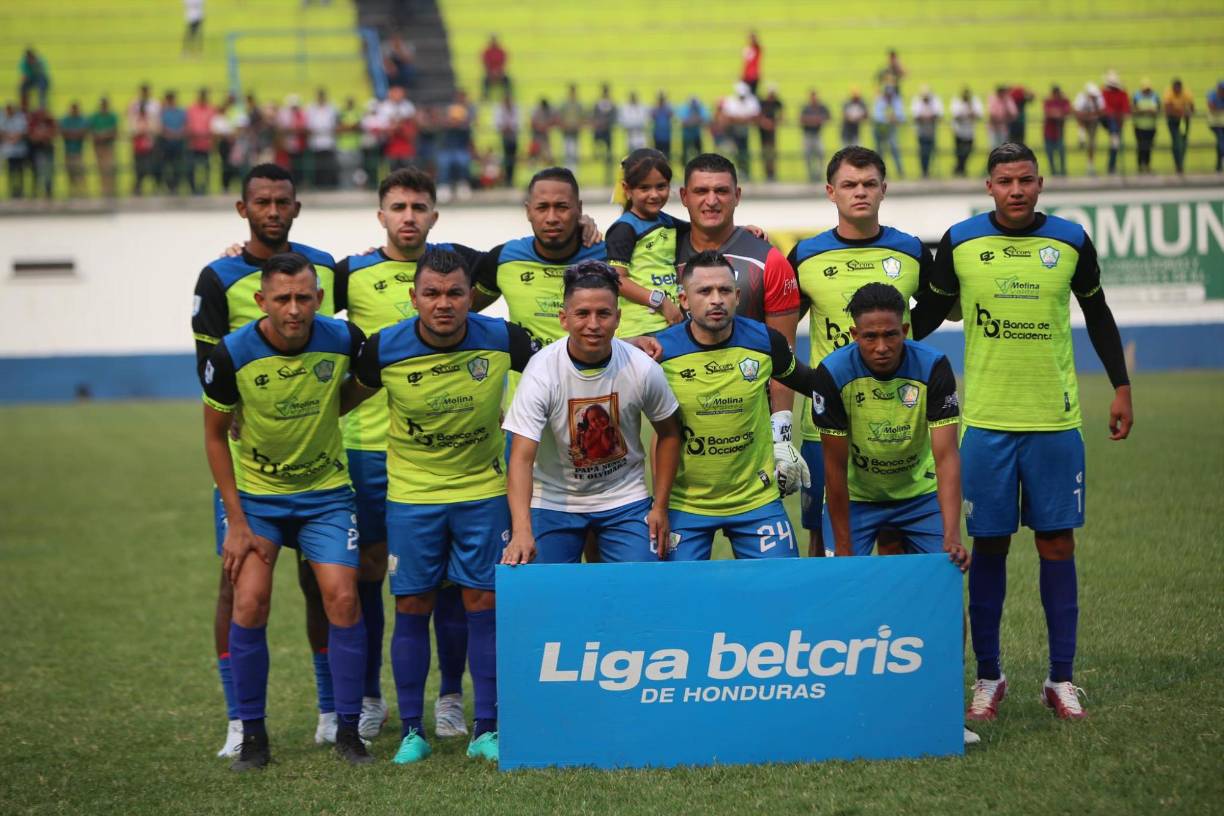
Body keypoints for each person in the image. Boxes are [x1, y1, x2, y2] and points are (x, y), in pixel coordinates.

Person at [912, 142, 1134, 723]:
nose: (1016, 190)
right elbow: (927, 315)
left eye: (1026, 180)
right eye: (1005, 180)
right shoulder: (960, 242)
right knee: (988, 545)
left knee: (1057, 544)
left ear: (1040, 183)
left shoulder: (1071, 240)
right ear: (988, 186)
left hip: (1055, 421)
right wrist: (866, 344)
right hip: (985, 423)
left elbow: (1100, 312)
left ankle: (1060, 679)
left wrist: (1122, 385)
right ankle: (990, 676)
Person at [350, 247, 533, 764]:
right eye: (432, 293)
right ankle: (413, 730)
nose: (444, 303)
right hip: (412, 498)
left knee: (483, 604)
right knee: (412, 605)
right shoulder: (382, 348)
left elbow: (562, 364)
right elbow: (339, 401)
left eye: (455, 293)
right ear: (414, 298)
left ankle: (486, 728)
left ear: (471, 296)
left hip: (482, 493)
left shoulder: (503, 338)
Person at [200, 252, 372, 771]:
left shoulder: (345, 339)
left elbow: (358, 387)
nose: (294, 309)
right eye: (282, 299)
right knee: (249, 602)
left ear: (320, 299)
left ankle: (348, 730)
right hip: (257, 502)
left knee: (342, 597)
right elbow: (212, 436)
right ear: (261, 301)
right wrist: (236, 520)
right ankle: (252, 735)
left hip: (326, 495)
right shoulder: (231, 353)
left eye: (304, 298)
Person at [333, 168, 488, 742]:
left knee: (453, 580)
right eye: (397, 206)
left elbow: (551, 250)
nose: (408, 216)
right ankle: (371, 695)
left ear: (434, 215)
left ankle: (451, 695)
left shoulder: (462, 268)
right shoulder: (347, 273)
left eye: (419, 206)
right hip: (368, 451)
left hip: (448, 457)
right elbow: (287, 300)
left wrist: (595, 230)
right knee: (375, 577)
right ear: (381, 215)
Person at [191, 163, 341, 757]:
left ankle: (331, 710)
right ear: (243, 208)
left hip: (319, 452)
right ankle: (238, 720)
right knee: (238, 588)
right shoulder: (217, 276)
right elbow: (206, 362)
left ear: (297, 207)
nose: (273, 211)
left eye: (283, 201)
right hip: (249, 459)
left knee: (321, 582)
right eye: (263, 202)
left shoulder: (326, 266)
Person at [810, 281, 975, 745]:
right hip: (857, 499)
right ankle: (842, 708)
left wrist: (951, 534)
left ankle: (942, 708)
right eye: (869, 337)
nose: (881, 347)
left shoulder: (934, 367)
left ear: (905, 329)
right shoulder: (833, 373)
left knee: (944, 592)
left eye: (890, 335)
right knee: (838, 595)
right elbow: (835, 471)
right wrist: (843, 547)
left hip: (917, 496)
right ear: (853, 334)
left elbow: (945, 458)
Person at [788, 146, 933, 558]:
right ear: (831, 191)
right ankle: (826, 625)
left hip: (898, 419)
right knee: (823, 541)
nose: (860, 192)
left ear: (884, 190)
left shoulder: (912, 252)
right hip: (825, 424)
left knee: (895, 536)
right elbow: (779, 333)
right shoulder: (805, 255)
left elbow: (944, 310)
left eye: (870, 184)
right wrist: (811, 385)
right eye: (850, 184)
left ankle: (895, 625)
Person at [501, 261, 682, 565]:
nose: (594, 324)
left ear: (618, 317)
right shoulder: (542, 372)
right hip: (555, 501)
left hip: (625, 499)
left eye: (604, 314)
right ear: (564, 319)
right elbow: (520, 457)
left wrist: (660, 507)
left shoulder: (642, 368)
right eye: (582, 314)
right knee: (543, 591)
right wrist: (522, 529)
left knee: (644, 588)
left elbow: (670, 434)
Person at [657, 250, 823, 560]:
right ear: (683, 299)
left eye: (724, 291)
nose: (715, 299)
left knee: (781, 591)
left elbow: (813, 383)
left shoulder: (765, 342)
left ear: (737, 296)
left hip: (756, 502)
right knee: (676, 599)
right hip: (685, 505)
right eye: (704, 291)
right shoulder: (660, 351)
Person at [674, 153, 805, 495]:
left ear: (737, 195)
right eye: (701, 191)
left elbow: (783, 357)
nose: (712, 200)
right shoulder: (658, 251)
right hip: (677, 423)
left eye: (721, 190)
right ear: (684, 196)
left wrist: (783, 437)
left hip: (748, 421)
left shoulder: (769, 261)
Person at [471, 167, 605, 360]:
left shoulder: (609, 258)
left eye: (562, 207)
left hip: (593, 386)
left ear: (579, 209)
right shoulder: (504, 259)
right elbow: (460, 312)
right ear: (528, 211)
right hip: (527, 388)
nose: (551, 218)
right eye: (542, 208)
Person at [605, 149, 686, 336]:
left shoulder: (668, 222)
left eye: (661, 186)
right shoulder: (624, 229)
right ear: (627, 189)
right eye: (644, 188)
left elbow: (704, 230)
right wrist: (661, 302)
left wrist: (744, 230)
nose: (654, 195)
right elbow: (617, 280)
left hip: (669, 324)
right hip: (639, 330)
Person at [438, 89, 474, 201]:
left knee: (463, 162)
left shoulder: (469, 111)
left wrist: (460, 123)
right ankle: (444, 186)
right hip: (447, 147)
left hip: (461, 147)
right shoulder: (448, 110)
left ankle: (462, 185)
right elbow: (442, 125)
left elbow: (468, 126)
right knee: (444, 163)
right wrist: (450, 123)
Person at [720, 83, 759, 179]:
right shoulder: (731, 101)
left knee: (744, 151)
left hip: (744, 130)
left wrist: (738, 119)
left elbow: (754, 116)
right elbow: (729, 116)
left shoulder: (751, 101)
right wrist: (743, 119)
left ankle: (745, 171)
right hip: (733, 130)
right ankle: (736, 171)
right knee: (735, 151)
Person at [127, 84, 160, 195]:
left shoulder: (155, 104)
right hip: (138, 143)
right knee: (138, 166)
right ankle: (138, 187)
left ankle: (155, 186)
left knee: (152, 165)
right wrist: (138, 131)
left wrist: (150, 131)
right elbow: (131, 124)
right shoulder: (134, 105)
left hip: (151, 142)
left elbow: (157, 124)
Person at [306, 88, 339, 189]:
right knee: (317, 166)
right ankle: (318, 185)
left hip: (328, 142)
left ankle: (328, 185)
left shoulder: (332, 108)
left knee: (328, 166)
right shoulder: (311, 108)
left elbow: (334, 123)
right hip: (316, 143)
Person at [186, 88, 215, 195]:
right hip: (193, 144)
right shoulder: (192, 109)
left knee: (206, 168)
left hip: (206, 144)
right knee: (191, 168)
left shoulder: (210, 109)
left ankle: (204, 188)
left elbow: (213, 125)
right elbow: (188, 124)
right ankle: (193, 189)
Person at [1163, 78, 1194, 176]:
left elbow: (1192, 108)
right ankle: (1178, 164)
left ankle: (1180, 163)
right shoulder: (1168, 93)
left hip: (1184, 121)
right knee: (1176, 142)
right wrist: (1181, 111)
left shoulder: (1186, 93)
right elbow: (1168, 109)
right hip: (1173, 121)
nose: (1177, 91)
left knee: (1183, 142)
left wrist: (1179, 111)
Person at [872, 85, 904, 178]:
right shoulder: (879, 101)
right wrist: (888, 119)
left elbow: (901, 116)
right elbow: (876, 116)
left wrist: (895, 118)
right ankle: (880, 171)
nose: (889, 97)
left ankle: (900, 171)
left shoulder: (896, 101)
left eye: (890, 95)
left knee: (894, 149)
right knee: (880, 151)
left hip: (891, 129)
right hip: (879, 130)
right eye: (888, 95)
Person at [1101, 71, 1130, 175]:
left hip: (1118, 121)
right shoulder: (1104, 92)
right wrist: (1114, 114)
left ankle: (1111, 166)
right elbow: (1104, 107)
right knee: (1115, 139)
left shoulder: (1122, 93)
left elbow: (1126, 108)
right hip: (1108, 120)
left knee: (1115, 145)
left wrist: (1121, 116)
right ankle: (1114, 135)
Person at [159, 90, 188, 193]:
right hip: (167, 142)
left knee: (178, 165)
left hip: (178, 142)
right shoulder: (163, 112)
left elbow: (185, 124)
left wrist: (178, 133)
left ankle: (176, 185)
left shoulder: (180, 111)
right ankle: (169, 186)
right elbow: (162, 126)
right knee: (167, 166)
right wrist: (171, 134)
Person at [911, 85, 942, 179]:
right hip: (921, 132)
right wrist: (928, 117)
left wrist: (926, 117)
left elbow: (938, 115)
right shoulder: (917, 101)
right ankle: (924, 171)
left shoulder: (934, 101)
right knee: (923, 152)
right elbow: (916, 116)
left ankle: (930, 171)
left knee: (931, 151)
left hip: (931, 131)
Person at [89, 97, 118, 198]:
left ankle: (111, 190)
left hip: (109, 146)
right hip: (98, 146)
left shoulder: (112, 116)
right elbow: (91, 131)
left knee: (110, 168)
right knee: (101, 168)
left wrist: (103, 134)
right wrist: (101, 135)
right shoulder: (95, 117)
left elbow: (114, 131)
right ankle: (103, 190)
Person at [1073, 82, 1104, 175]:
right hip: (1084, 119)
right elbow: (1076, 111)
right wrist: (1088, 115)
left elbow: (1101, 111)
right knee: (1080, 120)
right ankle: (1081, 136)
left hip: (1093, 121)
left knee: (1092, 143)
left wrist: (1092, 113)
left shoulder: (1098, 99)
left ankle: (1090, 165)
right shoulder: (1081, 97)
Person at [950, 87, 982, 177]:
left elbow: (978, 115)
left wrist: (970, 109)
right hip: (959, 131)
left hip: (970, 132)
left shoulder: (974, 102)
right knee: (959, 152)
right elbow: (956, 116)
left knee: (968, 151)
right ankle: (960, 169)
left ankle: (960, 168)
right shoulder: (957, 102)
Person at [59, 101, 89, 198]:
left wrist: (71, 133)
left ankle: (82, 194)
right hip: (68, 151)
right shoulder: (65, 120)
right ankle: (72, 194)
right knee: (70, 174)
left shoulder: (82, 120)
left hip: (79, 152)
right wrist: (75, 134)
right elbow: (63, 132)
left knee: (80, 174)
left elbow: (83, 132)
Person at [800, 90, 830, 182]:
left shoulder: (821, 107)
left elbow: (828, 117)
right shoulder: (806, 108)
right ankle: (811, 175)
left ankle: (819, 174)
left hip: (817, 135)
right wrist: (813, 120)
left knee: (820, 154)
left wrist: (819, 119)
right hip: (807, 135)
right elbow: (801, 119)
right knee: (807, 155)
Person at [25, 104, 55, 199]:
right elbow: (31, 136)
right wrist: (42, 136)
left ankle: (48, 192)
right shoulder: (33, 123)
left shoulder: (50, 122)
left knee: (48, 171)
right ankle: (35, 192)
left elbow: (53, 133)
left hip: (48, 149)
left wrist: (42, 135)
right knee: (37, 171)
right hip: (37, 150)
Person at [1131, 79, 1160, 175]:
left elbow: (1158, 110)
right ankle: (1140, 166)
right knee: (1140, 146)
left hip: (1151, 127)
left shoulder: (1155, 97)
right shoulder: (1137, 96)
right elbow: (1133, 110)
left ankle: (1147, 165)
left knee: (1148, 147)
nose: (1146, 91)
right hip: (1139, 126)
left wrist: (1150, 112)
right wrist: (1143, 112)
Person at [1041, 85, 1070, 177]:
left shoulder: (1063, 101)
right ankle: (1053, 171)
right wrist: (1059, 113)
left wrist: (1056, 113)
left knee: (1061, 152)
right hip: (1049, 132)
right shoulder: (1048, 101)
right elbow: (1048, 113)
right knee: (1050, 153)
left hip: (1059, 132)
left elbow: (1067, 111)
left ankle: (1062, 171)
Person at [1, 102, 28, 199]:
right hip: (8, 152)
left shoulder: (19, 118)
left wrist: (13, 138)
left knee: (20, 172)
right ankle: (12, 191)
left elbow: (22, 132)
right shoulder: (2, 118)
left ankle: (20, 191)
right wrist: (10, 138)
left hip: (19, 151)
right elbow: (2, 132)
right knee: (10, 172)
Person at [591, 84, 617, 184]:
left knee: (609, 155)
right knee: (597, 152)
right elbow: (594, 116)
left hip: (607, 131)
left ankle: (608, 177)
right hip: (599, 131)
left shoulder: (611, 104)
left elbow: (613, 117)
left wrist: (606, 123)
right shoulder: (598, 104)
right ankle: (599, 176)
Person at [757, 85, 783, 181]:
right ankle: (767, 173)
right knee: (765, 152)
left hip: (772, 132)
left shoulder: (777, 103)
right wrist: (765, 123)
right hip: (763, 132)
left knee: (772, 152)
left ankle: (772, 173)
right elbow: (758, 116)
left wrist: (774, 124)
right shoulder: (762, 103)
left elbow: (781, 116)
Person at [494, 95, 520, 187]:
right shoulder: (499, 110)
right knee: (505, 158)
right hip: (503, 136)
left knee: (512, 158)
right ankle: (504, 179)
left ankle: (510, 179)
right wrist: (504, 127)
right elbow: (497, 123)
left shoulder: (516, 109)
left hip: (513, 136)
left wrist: (511, 127)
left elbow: (518, 123)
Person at [558, 84, 583, 170]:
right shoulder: (564, 105)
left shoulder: (578, 105)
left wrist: (577, 125)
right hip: (566, 132)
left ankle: (574, 172)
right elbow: (560, 118)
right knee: (567, 152)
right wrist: (565, 126)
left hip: (575, 132)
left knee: (575, 153)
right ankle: (567, 171)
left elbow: (582, 118)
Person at [679, 95, 709, 166]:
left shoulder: (699, 109)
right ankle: (685, 168)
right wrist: (695, 121)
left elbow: (704, 121)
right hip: (687, 136)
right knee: (685, 155)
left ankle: (699, 167)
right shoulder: (685, 109)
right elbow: (684, 123)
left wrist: (691, 121)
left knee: (699, 155)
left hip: (696, 135)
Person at [528, 97, 555, 167]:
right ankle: (533, 163)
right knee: (534, 156)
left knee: (548, 155)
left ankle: (546, 165)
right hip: (537, 135)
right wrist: (539, 127)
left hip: (544, 135)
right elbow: (532, 123)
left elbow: (553, 121)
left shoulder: (548, 111)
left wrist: (545, 127)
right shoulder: (536, 111)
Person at [481, 35, 509, 101]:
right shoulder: (487, 52)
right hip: (490, 73)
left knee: (506, 80)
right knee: (485, 81)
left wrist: (498, 72)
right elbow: (485, 63)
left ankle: (507, 95)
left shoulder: (501, 51)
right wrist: (491, 72)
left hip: (499, 73)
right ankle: (485, 96)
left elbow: (503, 63)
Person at [651, 92, 673, 159]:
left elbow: (671, 114)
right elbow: (653, 115)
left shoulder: (667, 108)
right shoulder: (655, 109)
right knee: (657, 154)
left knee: (667, 153)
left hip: (666, 134)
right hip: (658, 134)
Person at [1209, 80, 1224, 173]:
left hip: (1222, 124)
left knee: (1221, 144)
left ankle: (1219, 166)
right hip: (1215, 123)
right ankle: (1219, 164)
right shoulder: (1213, 95)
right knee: (1221, 141)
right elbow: (1212, 107)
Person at [741, 32, 762, 96]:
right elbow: (746, 63)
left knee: (753, 94)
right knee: (745, 94)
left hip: (753, 76)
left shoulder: (756, 49)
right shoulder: (748, 49)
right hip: (746, 75)